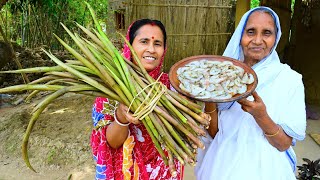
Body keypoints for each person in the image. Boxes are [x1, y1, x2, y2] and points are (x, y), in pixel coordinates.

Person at [195, 6, 306, 180]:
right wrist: (210, 97)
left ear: (276, 38)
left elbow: (283, 144)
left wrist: (261, 115)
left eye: (266, 33)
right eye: (251, 32)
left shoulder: (289, 80)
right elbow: (215, 134)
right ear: (240, 36)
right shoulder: (223, 74)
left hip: (267, 169)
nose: (257, 40)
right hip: (223, 164)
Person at [90, 19, 183, 180]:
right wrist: (121, 116)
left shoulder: (171, 86)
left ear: (164, 49)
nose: (151, 49)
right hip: (128, 173)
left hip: (165, 174)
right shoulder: (111, 89)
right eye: (144, 42)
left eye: (158, 44)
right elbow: (110, 144)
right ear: (130, 45)